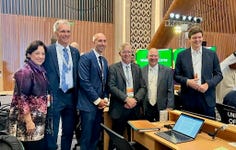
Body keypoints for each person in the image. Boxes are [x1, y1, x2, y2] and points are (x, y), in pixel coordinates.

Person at [43, 19, 80, 150]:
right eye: (62, 31)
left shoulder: (75, 52)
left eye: (68, 31)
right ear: (56, 33)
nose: (66, 34)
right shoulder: (47, 51)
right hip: (54, 96)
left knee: (68, 132)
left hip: (70, 96)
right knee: (51, 132)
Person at [174, 26, 223, 118]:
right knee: (188, 129)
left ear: (202, 37)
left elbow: (219, 75)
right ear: (189, 39)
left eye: (199, 37)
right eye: (194, 38)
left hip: (207, 99)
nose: (197, 40)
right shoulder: (181, 55)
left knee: (208, 130)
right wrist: (188, 82)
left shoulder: (211, 54)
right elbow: (176, 75)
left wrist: (207, 84)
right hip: (188, 99)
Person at [8, 40, 48, 150]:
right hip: (26, 121)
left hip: (37, 120)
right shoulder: (25, 71)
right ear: (29, 54)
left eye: (43, 53)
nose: (40, 56)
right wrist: (29, 122)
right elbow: (22, 99)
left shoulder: (40, 70)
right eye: (37, 53)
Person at [108, 42, 146, 143]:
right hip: (119, 108)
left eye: (129, 52)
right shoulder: (113, 68)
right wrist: (126, 99)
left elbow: (143, 87)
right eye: (124, 52)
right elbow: (111, 86)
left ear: (132, 54)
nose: (127, 54)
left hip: (134, 109)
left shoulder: (137, 68)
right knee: (116, 139)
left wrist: (134, 100)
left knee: (135, 140)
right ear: (120, 53)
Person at [77, 33, 109, 150]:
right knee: (86, 137)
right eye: (100, 41)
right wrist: (97, 100)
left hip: (100, 106)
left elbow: (104, 83)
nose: (103, 43)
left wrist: (105, 98)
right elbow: (84, 82)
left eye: (105, 41)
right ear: (94, 42)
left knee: (96, 136)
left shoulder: (104, 61)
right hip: (87, 105)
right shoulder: (85, 58)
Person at [141, 48, 174, 122]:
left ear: (159, 57)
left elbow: (170, 90)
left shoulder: (167, 71)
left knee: (161, 129)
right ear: (147, 57)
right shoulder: (141, 70)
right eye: (151, 56)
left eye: (155, 56)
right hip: (146, 106)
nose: (153, 58)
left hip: (162, 107)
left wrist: (170, 106)